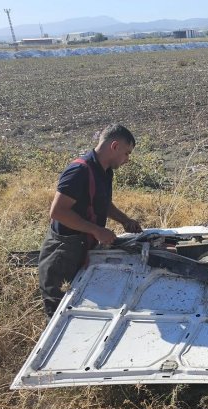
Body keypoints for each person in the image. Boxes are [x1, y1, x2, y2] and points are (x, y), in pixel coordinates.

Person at [38, 124, 143, 316]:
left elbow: (102, 203)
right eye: (127, 153)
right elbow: (58, 212)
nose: (127, 159)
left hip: (83, 247)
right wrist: (96, 230)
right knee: (60, 314)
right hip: (63, 253)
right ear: (114, 146)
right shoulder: (79, 171)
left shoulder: (104, 171)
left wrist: (124, 220)